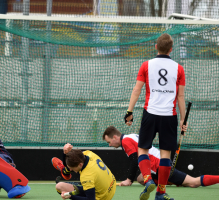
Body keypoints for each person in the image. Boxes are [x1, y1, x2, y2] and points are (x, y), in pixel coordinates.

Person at [124, 33, 187, 200]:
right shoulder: (179, 68)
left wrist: (129, 112)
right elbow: (180, 97)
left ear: (156, 47)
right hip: (169, 115)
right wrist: (182, 120)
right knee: (165, 154)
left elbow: (136, 90)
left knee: (142, 148)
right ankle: (161, 192)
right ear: (171, 49)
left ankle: (147, 179)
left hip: (150, 113)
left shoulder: (146, 65)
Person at [102, 126, 219, 189]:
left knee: (194, 182)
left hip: (157, 166)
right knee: (141, 179)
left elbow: (134, 160)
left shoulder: (126, 142)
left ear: (115, 137)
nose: (110, 145)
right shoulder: (129, 137)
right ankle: (172, 182)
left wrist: (128, 180)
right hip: (157, 165)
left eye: (109, 142)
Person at [52, 143, 116, 200]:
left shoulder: (86, 176)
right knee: (59, 186)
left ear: (80, 164)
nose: (71, 170)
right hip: (111, 186)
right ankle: (65, 172)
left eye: (72, 168)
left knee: (62, 190)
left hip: (103, 197)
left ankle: (65, 172)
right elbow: (71, 162)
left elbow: (90, 199)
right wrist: (65, 153)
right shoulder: (88, 153)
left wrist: (71, 196)